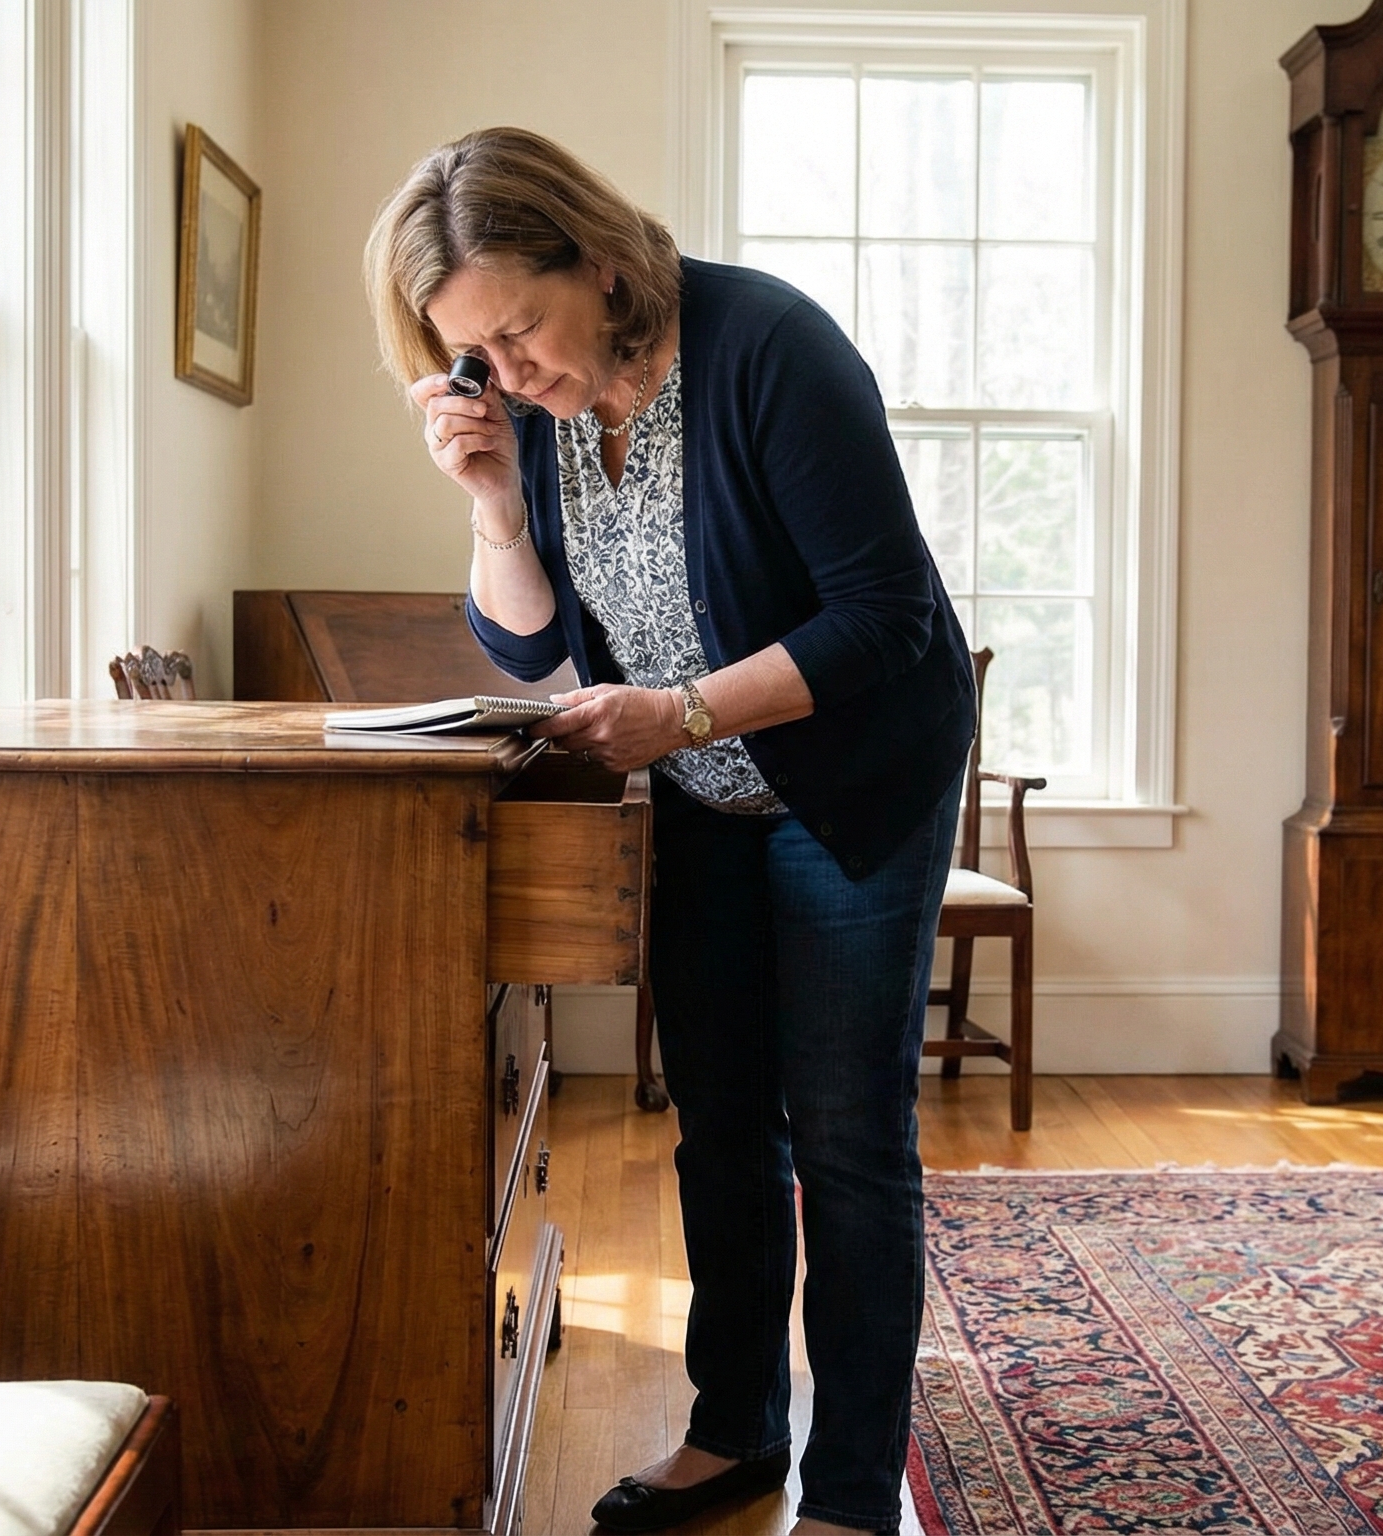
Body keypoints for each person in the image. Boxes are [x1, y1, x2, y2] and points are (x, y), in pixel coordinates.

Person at [365, 127, 973, 1536]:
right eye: (480, 357)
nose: (509, 375)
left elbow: (886, 617)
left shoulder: (769, 348)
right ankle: (737, 1430)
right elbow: (528, 650)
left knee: (845, 1133)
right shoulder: (535, 408)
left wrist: (682, 715)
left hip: (853, 775)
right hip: (704, 782)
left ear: (596, 256)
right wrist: (495, 506)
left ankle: (851, 1490)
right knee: (715, 1122)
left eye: (521, 330)